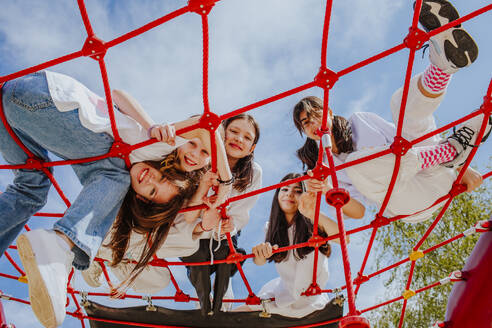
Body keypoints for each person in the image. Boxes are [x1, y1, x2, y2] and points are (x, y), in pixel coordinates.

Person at [0, 70, 231, 327]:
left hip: (13, 107)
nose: (150, 180)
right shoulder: (165, 143)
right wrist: (224, 178)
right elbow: (203, 123)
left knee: (31, 189)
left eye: (152, 191)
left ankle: (64, 251)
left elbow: (186, 216)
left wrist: (205, 199)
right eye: (195, 145)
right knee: (116, 176)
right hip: (41, 96)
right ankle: (61, 246)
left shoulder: (139, 163)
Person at [293, 0, 490, 223]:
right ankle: (452, 152)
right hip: (410, 200)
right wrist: (328, 187)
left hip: (438, 172)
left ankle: (443, 65)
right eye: (305, 123)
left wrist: (463, 168)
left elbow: (410, 137)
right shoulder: (329, 166)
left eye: (315, 114)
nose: (312, 123)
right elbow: (358, 213)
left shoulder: (359, 121)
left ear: (329, 111)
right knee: (357, 163)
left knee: (399, 103)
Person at [181, 114, 262, 316]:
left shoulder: (253, 172)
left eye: (247, 137)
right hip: (195, 230)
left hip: (223, 234)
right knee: (196, 261)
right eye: (234, 132)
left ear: (252, 148)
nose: (238, 139)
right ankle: (203, 305)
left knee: (228, 258)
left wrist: (230, 225)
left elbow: (243, 211)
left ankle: (222, 302)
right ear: (222, 132)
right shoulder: (202, 157)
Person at [232, 173, 341, 318]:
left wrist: (312, 213)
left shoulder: (313, 223)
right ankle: (216, 313)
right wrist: (260, 254)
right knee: (241, 313)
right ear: (277, 195)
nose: (289, 194)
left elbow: (344, 238)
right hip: (284, 293)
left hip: (311, 297)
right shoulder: (272, 228)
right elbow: (260, 261)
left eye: (297, 191)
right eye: (284, 189)